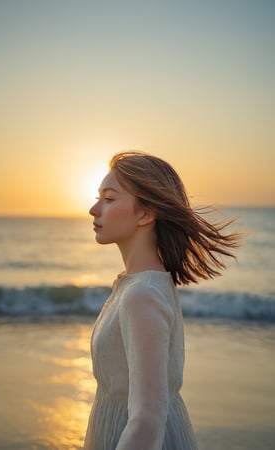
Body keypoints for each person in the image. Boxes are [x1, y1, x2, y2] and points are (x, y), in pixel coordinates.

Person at [84, 151, 240, 450]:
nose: (94, 209)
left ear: (146, 214)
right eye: (98, 197)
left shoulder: (142, 295)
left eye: (109, 198)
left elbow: (147, 421)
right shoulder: (136, 286)